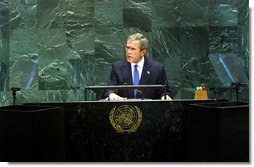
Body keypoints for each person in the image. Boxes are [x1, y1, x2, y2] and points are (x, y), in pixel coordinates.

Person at [104, 33, 172, 100]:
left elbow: (164, 92)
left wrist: (164, 97)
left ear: (143, 52)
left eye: (133, 49)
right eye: (127, 48)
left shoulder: (157, 68)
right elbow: (109, 90)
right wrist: (111, 94)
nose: (128, 52)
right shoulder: (117, 67)